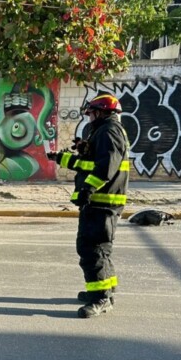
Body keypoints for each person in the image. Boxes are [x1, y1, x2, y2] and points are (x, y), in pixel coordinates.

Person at [47, 94, 129, 318]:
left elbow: (105, 168)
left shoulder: (109, 132)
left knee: (92, 249)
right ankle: (106, 290)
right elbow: (90, 164)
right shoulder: (103, 131)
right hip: (101, 202)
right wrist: (63, 158)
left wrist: (87, 190)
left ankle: (100, 298)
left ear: (102, 112)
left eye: (92, 113)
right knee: (101, 248)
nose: (89, 117)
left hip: (102, 202)